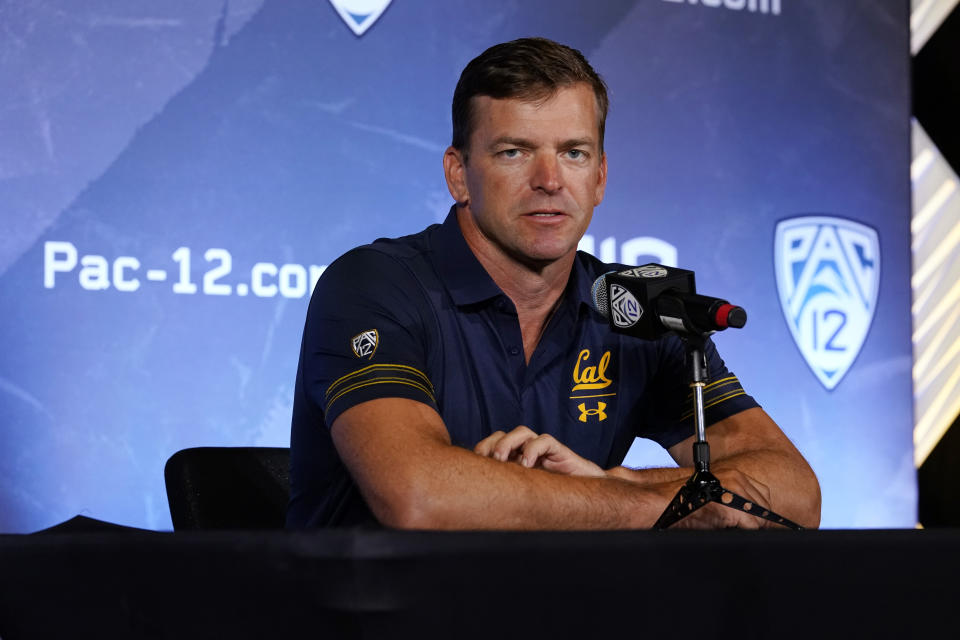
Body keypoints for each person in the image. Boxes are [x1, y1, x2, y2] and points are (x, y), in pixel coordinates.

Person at [287, 37, 820, 530]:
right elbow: (418, 495)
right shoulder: (373, 286)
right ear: (458, 174)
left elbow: (797, 492)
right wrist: (652, 506)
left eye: (573, 152)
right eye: (514, 151)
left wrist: (615, 482)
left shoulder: (631, 305)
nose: (549, 180)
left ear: (600, 178)